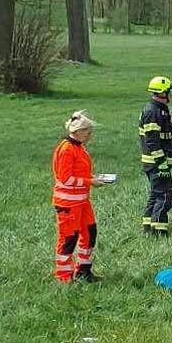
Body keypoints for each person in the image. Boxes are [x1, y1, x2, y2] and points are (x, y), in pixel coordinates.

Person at [52, 111, 110, 283]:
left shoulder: (78, 147)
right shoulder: (67, 149)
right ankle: (64, 277)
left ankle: (83, 271)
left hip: (81, 201)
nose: (90, 135)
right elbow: (66, 178)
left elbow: (79, 173)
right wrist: (90, 181)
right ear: (78, 131)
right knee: (69, 238)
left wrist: (92, 178)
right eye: (88, 132)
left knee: (90, 233)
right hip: (68, 203)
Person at [140, 76, 172, 236]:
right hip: (155, 162)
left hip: (156, 161)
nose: (171, 95)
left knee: (156, 195)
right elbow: (152, 141)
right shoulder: (153, 112)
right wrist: (162, 163)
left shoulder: (159, 109)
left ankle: (148, 227)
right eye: (169, 92)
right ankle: (159, 230)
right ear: (163, 93)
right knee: (165, 196)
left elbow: (165, 138)